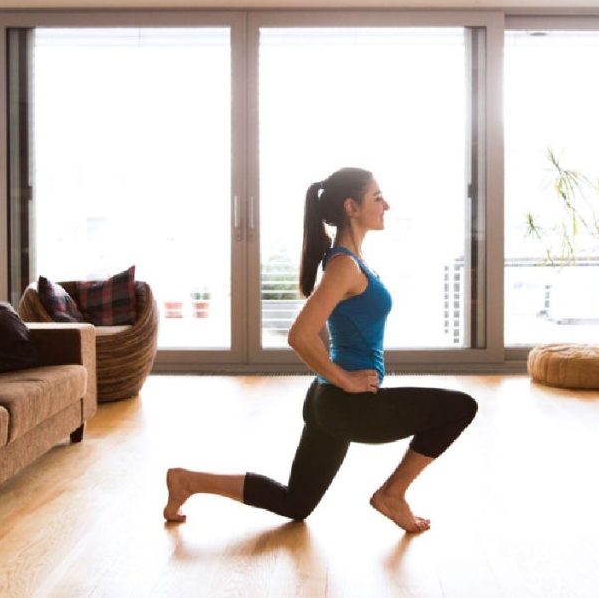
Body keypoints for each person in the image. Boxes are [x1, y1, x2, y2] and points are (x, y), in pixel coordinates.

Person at [164, 167, 478, 533]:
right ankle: (393, 494)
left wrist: (339, 379)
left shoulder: (348, 261)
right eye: (377, 197)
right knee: (460, 408)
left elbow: (328, 331)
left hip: (326, 402)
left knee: (295, 503)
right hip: (346, 405)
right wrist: (345, 380)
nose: (386, 205)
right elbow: (300, 335)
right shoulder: (344, 265)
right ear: (352, 207)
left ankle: (189, 481)